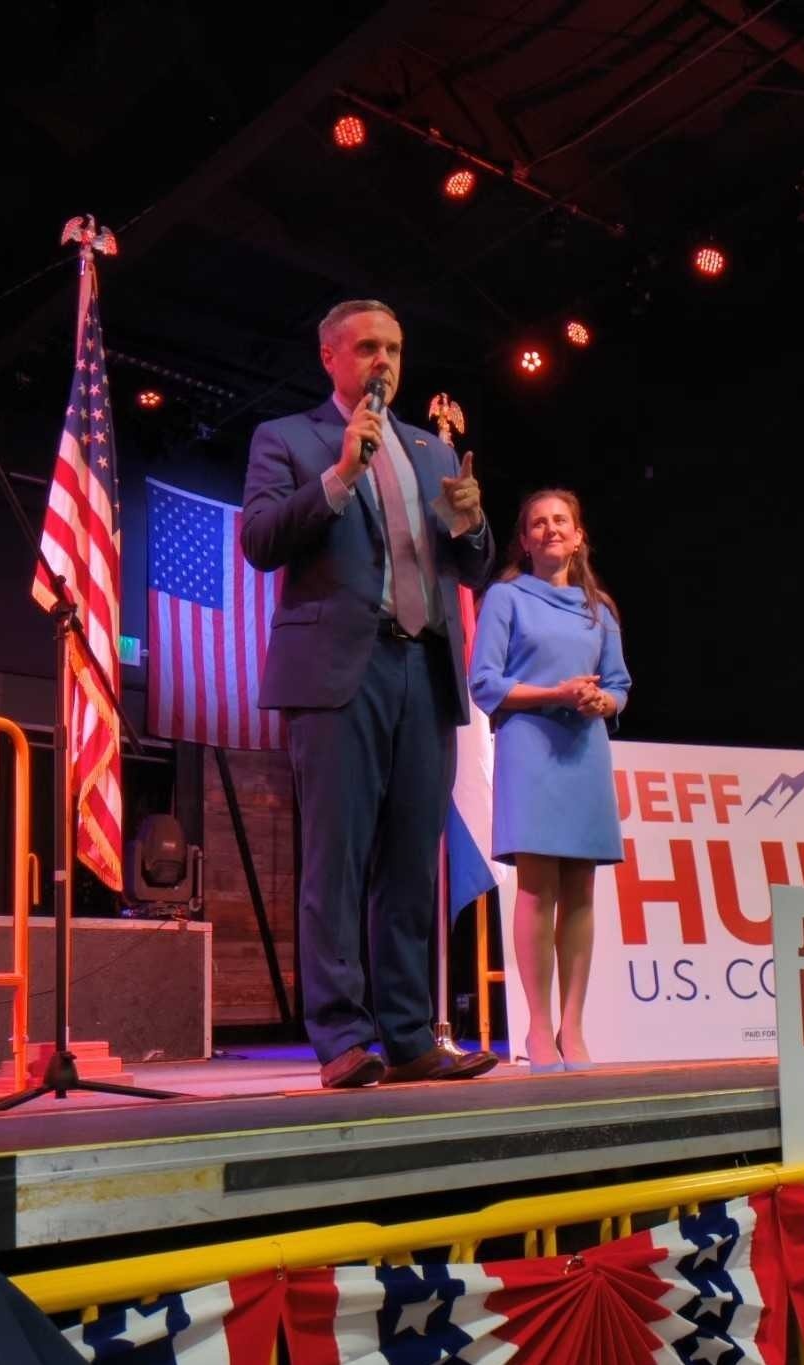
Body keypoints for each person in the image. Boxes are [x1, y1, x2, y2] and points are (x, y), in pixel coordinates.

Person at [239, 299, 500, 1089]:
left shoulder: (429, 447)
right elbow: (258, 540)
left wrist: (474, 521)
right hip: (337, 673)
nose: (383, 362)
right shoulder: (288, 439)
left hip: (422, 670)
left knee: (412, 862)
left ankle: (412, 1033)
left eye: (393, 348)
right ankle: (345, 1038)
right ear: (331, 356)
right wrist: (342, 472)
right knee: (337, 858)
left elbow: (472, 565)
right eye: (367, 348)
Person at [468, 490, 630, 1073]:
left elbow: (620, 686)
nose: (550, 529)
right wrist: (556, 693)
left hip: (584, 750)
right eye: (538, 523)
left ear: (578, 535)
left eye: (561, 520)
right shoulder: (506, 598)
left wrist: (598, 700)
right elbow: (484, 683)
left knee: (581, 892)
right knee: (538, 888)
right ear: (526, 540)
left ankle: (574, 1027)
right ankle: (539, 1028)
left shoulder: (599, 609)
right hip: (529, 746)